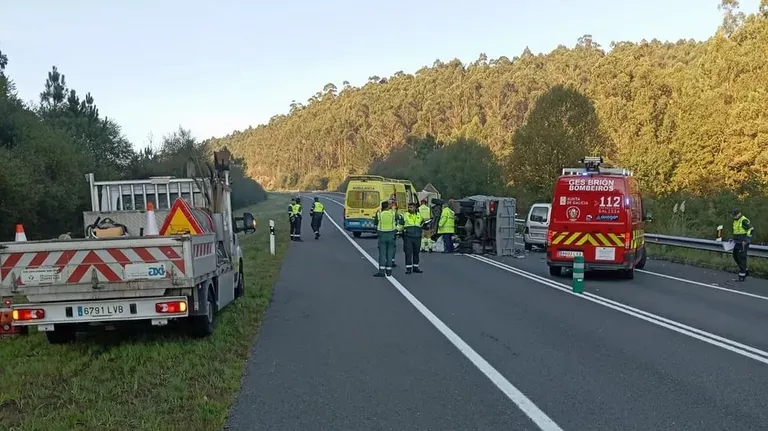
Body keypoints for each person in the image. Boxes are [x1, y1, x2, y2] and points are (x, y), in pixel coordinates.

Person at [373, 200, 400, 277]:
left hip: (382, 236)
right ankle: (389, 271)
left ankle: (381, 272)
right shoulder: (393, 213)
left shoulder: (379, 214)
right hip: (391, 235)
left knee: (382, 254)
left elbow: (375, 223)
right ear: (388, 206)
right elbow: (398, 219)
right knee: (390, 254)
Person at [401, 202, 425, 274]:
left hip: (417, 236)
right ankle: (408, 268)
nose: (409, 209)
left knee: (416, 252)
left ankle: (415, 267)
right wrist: (398, 231)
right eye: (409, 207)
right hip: (408, 236)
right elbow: (401, 225)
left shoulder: (419, 215)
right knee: (408, 252)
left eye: (411, 207)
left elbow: (422, 224)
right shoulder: (405, 215)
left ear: (415, 208)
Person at [731, 209, 754, 282]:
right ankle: (745, 270)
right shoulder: (736, 220)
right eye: (733, 215)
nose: (734, 216)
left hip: (743, 242)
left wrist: (746, 240)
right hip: (737, 242)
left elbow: (751, 229)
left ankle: (742, 275)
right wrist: (733, 239)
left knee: (741, 258)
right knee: (735, 255)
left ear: (739, 213)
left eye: (736, 215)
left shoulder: (744, 220)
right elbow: (737, 231)